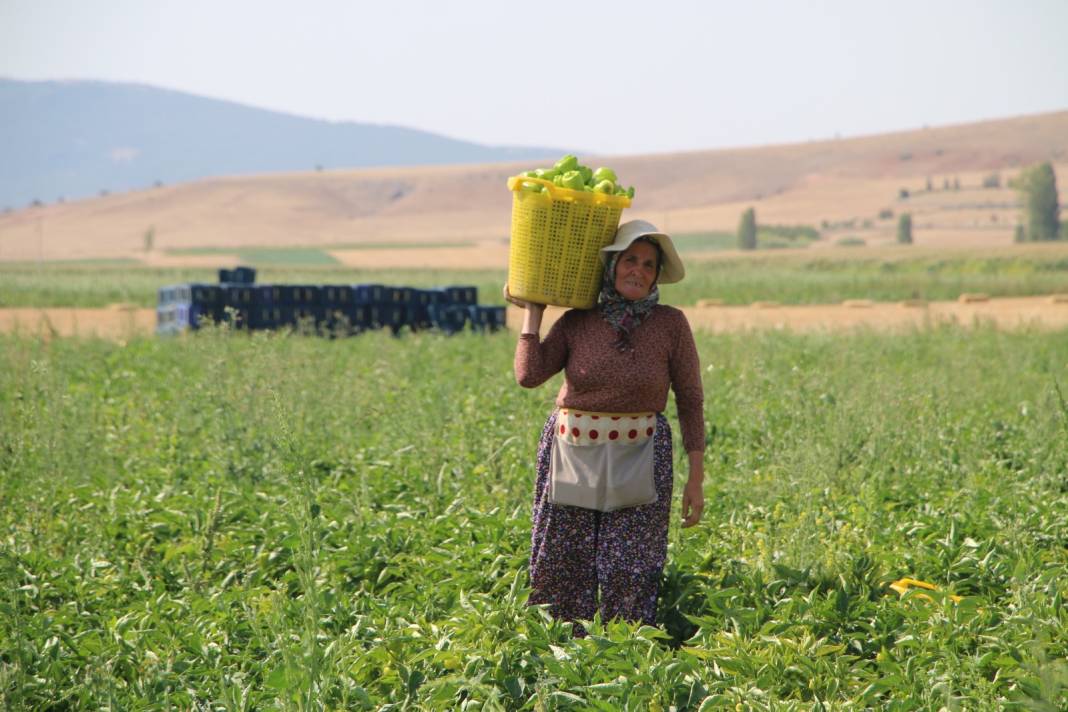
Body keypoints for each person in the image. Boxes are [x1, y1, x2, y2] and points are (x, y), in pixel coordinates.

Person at [505, 218, 705, 632]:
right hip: (573, 451)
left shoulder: (671, 324)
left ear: (656, 277)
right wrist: (533, 315)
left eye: (649, 265)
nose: (639, 271)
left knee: (629, 567)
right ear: (612, 268)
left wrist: (696, 477)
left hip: (642, 452)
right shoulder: (580, 321)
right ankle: (561, 653)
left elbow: (690, 399)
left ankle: (625, 653)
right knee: (563, 561)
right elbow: (529, 375)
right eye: (630, 260)